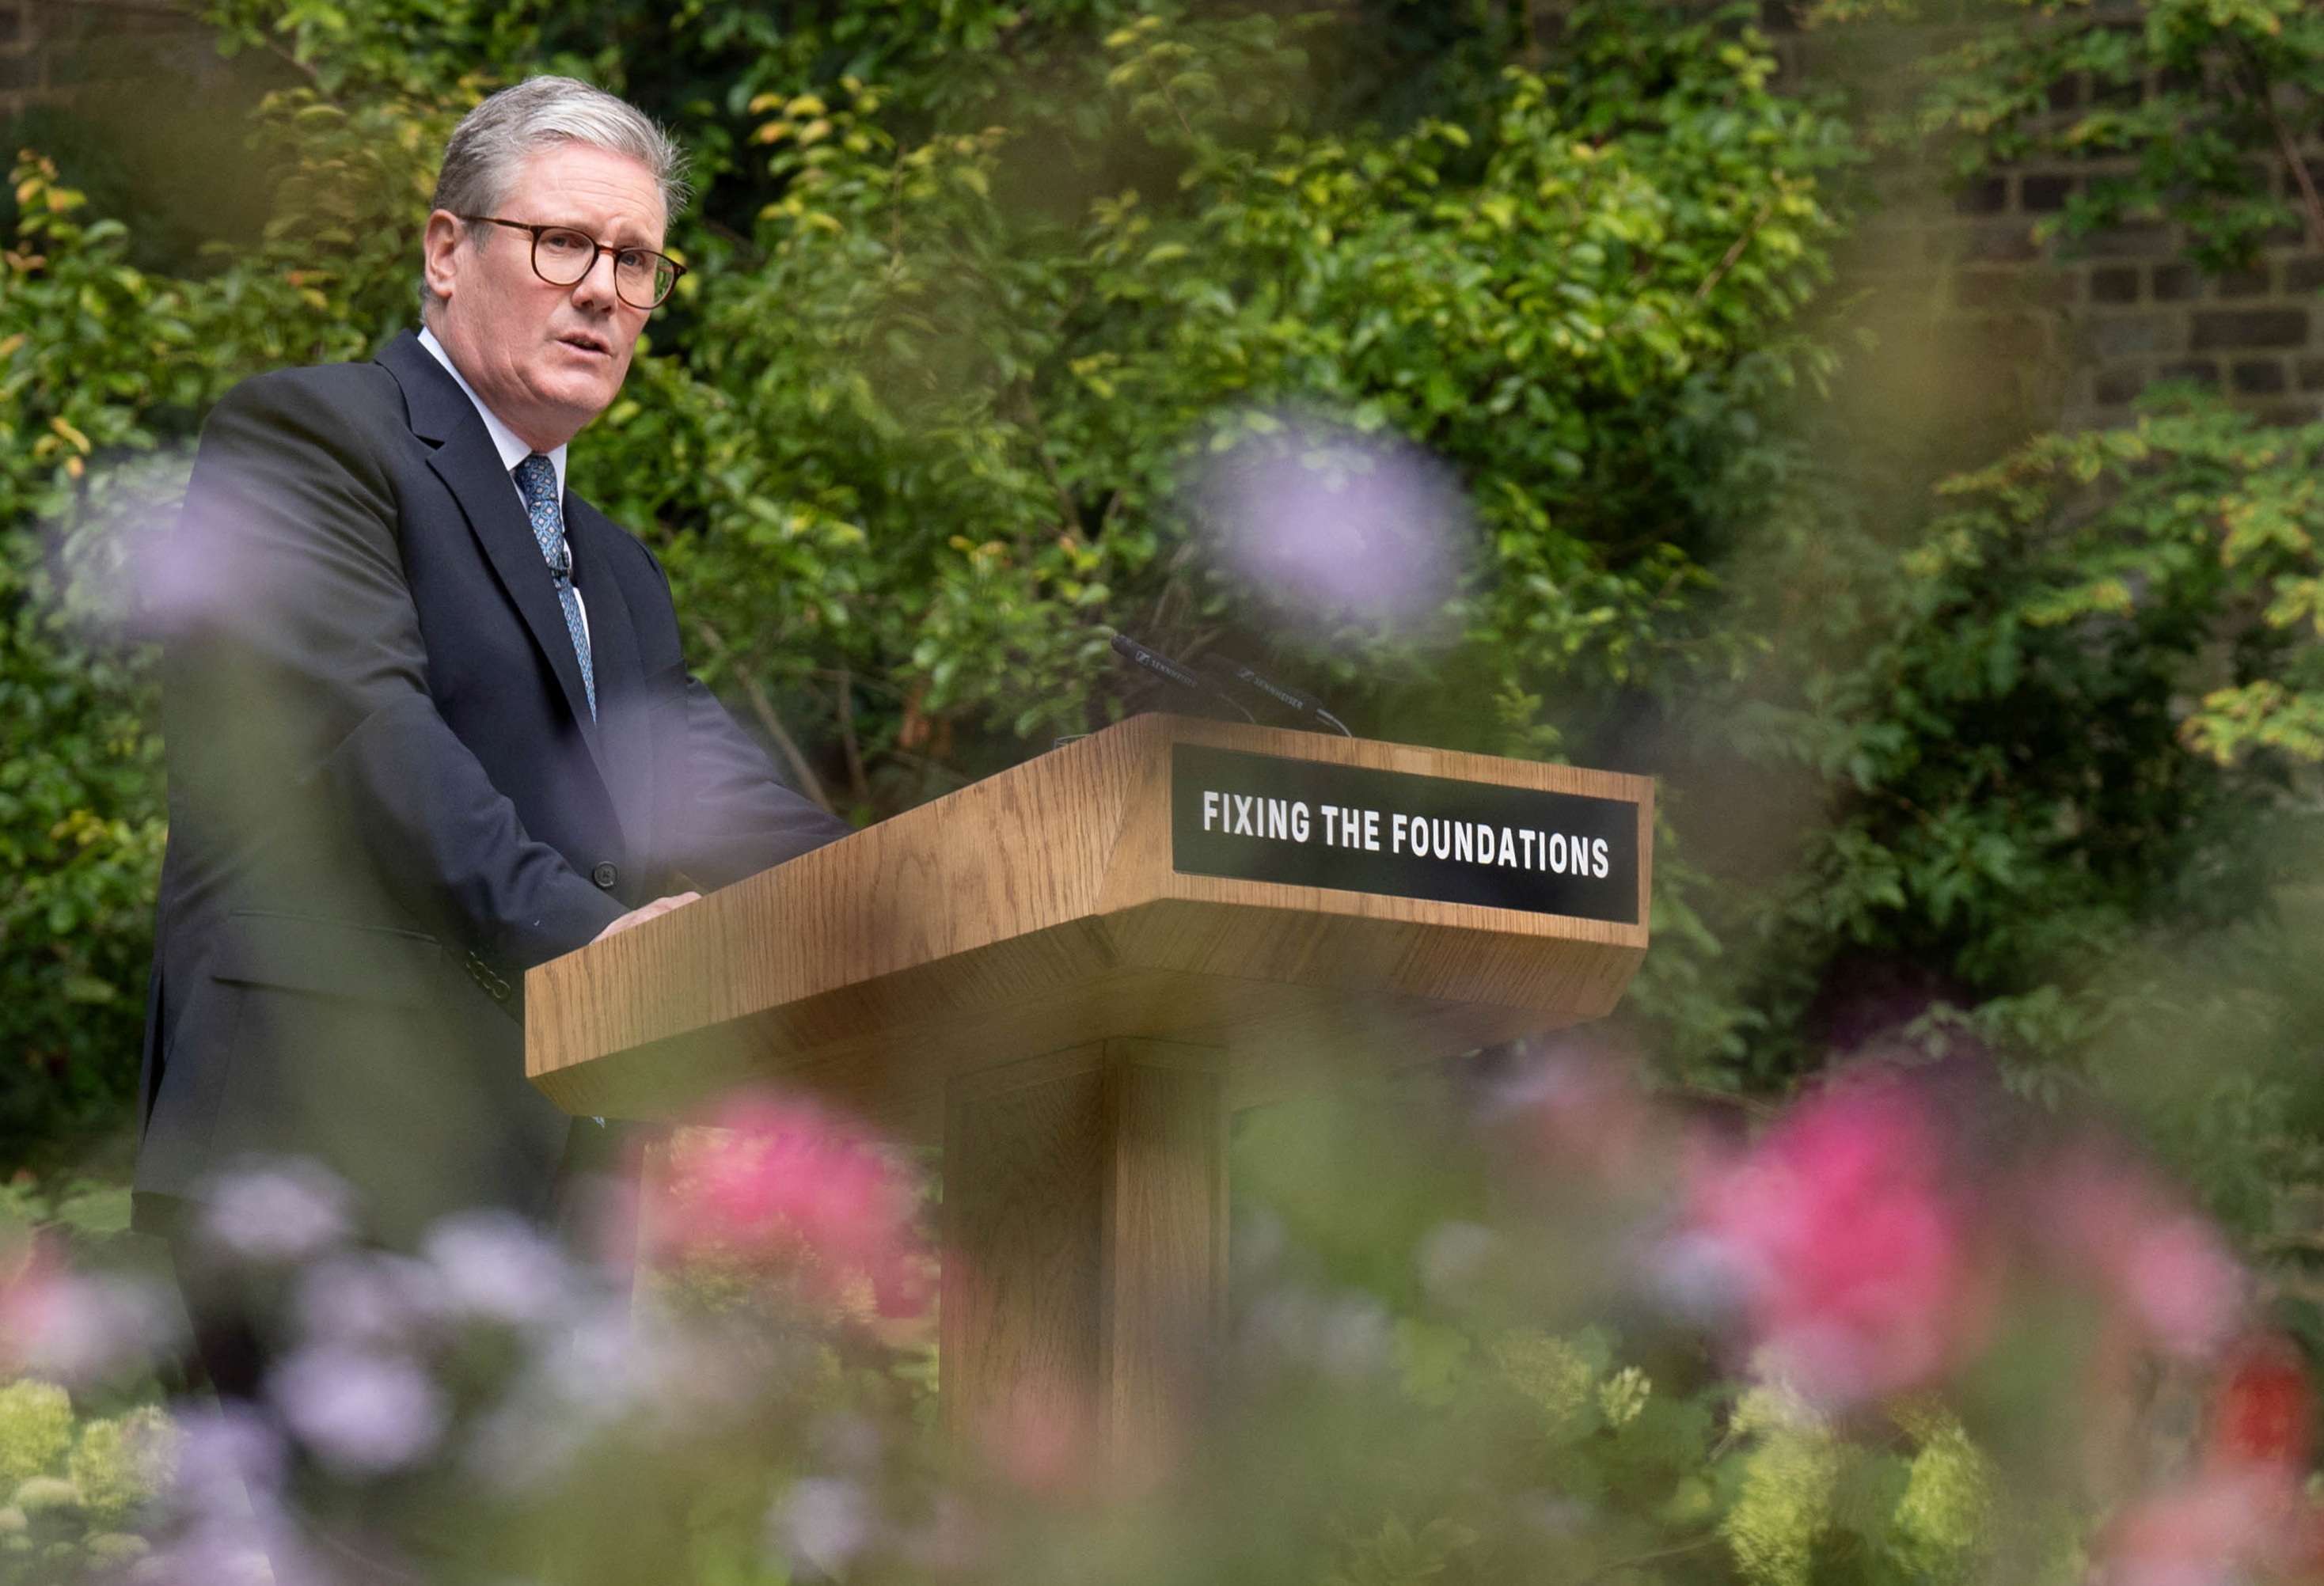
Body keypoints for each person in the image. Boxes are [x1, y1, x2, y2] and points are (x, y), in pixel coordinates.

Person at [131, 72, 850, 1397]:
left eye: (635, 262)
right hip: (318, 1164)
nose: (603, 292)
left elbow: (710, 789)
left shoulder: (617, 570)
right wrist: (600, 946)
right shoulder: (311, 438)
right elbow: (368, 737)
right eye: (564, 242)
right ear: (446, 250)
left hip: (542, 1202)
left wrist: (912, 894)